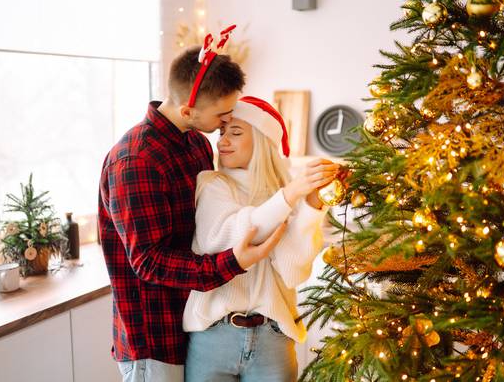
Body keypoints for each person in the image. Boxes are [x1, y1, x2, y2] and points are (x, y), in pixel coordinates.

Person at [98, 37, 287, 382]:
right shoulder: (136, 160)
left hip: (194, 324)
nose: (227, 120)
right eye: (221, 114)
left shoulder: (197, 143)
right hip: (154, 338)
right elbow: (148, 261)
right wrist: (233, 262)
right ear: (188, 111)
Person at [183, 96, 339, 381]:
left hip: (273, 341)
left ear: (263, 140)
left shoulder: (282, 195)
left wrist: (313, 205)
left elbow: (293, 271)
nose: (222, 141)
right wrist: (291, 195)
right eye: (222, 133)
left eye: (236, 132)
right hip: (214, 338)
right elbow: (224, 239)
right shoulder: (212, 183)